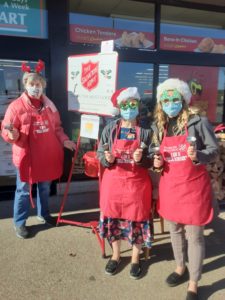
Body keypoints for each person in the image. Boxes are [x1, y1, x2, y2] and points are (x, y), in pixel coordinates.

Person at [152, 78, 218, 300]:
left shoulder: (198, 122)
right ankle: (180, 267)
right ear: (161, 102)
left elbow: (214, 150)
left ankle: (193, 282)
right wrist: (156, 163)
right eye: (166, 99)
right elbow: (157, 155)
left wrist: (198, 155)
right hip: (171, 187)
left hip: (194, 189)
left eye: (175, 98)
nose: (170, 102)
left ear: (183, 99)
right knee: (175, 231)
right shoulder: (159, 126)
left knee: (195, 236)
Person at [1, 60, 76, 239]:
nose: (35, 87)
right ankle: (19, 222)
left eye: (38, 84)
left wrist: (65, 140)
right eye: (32, 84)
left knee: (44, 188)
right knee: (23, 190)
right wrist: (12, 133)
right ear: (25, 84)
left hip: (46, 155)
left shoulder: (50, 106)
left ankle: (44, 214)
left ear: (43, 86)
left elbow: (57, 128)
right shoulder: (16, 107)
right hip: (27, 158)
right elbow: (8, 130)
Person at [97, 87, 153, 279]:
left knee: (137, 222)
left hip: (137, 185)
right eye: (125, 105)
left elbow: (154, 157)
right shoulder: (110, 129)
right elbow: (99, 154)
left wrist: (142, 159)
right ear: (119, 107)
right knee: (113, 221)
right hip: (113, 183)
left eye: (132, 104)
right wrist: (108, 159)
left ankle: (136, 258)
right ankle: (116, 255)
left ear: (138, 106)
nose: (129, 108)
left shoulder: (146, 131)